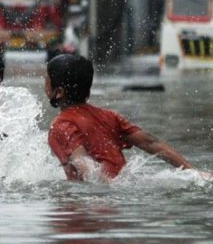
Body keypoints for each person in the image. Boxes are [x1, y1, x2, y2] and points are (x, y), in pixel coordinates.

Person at [44, 53, 196, 181]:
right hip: (118, 194)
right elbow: (151, 142)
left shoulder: (61, 125)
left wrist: (107, 189)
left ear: (59, 92)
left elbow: (84, 166)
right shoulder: (108, 116)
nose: (44, 83)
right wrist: (193, 172)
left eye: (46, 79)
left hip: (94, 202)